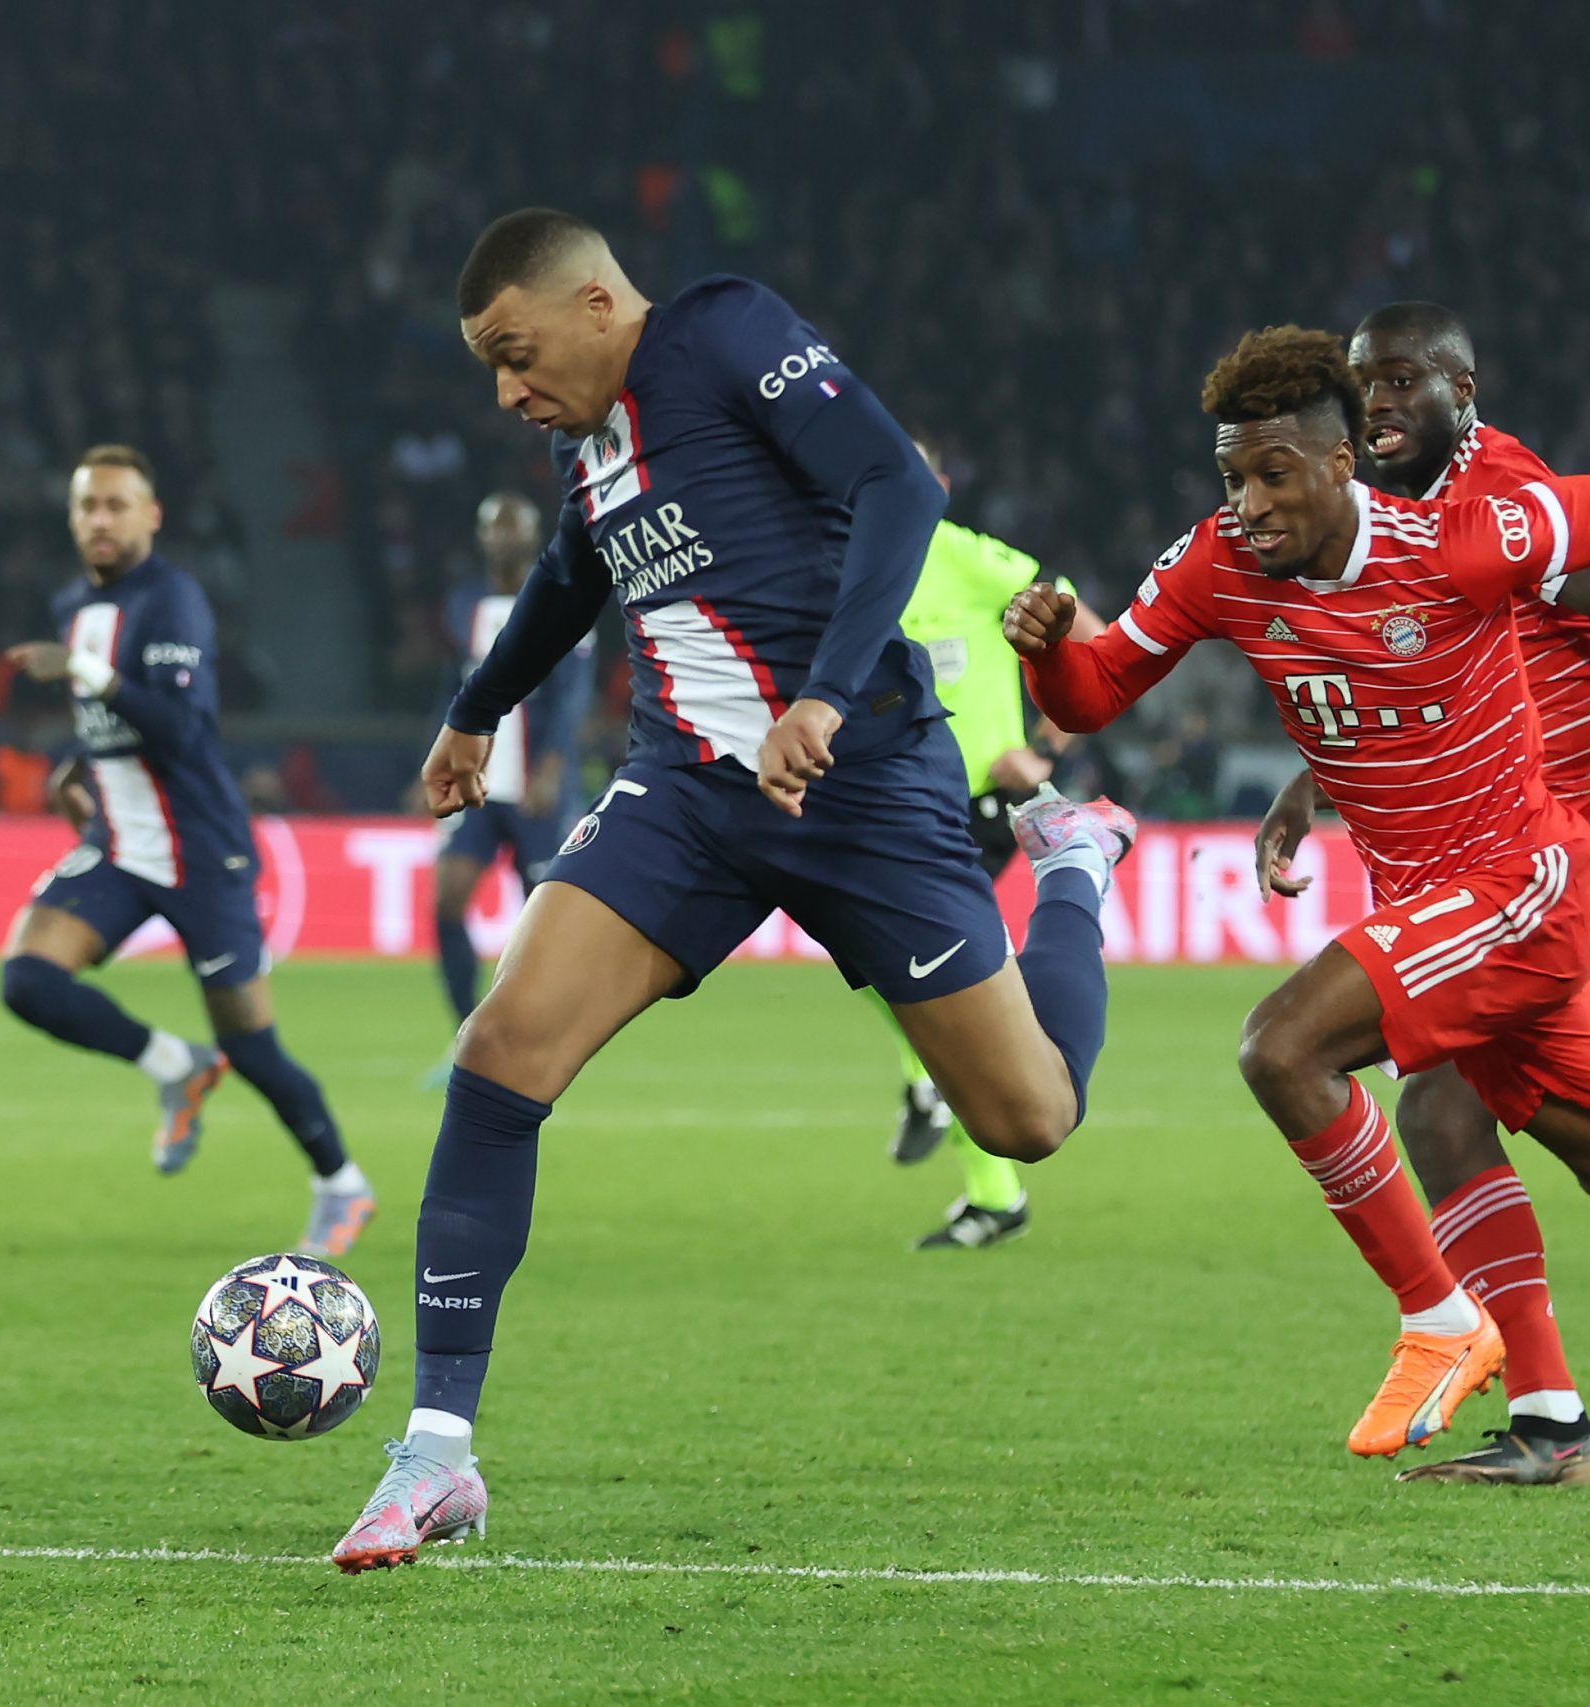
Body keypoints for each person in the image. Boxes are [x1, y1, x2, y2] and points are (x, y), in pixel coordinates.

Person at [332, 210, 1134, 1571]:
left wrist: (823, 691)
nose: (506, 393)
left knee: (1030, 1113)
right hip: (689, 797)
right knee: (502, 1052)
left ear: (594, 303)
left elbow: (899, 486)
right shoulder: (594, 450)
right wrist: (474, 711)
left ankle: (1072, 863)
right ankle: (436, 1451)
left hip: (863, 780)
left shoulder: (721, 331)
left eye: (515, 354)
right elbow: (569, 578)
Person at [1013, 325, 1590, 1508]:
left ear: (1340, 465)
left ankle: (1441, 1319)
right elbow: (1094, 693)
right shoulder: (1216, 562)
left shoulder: (1461, 538)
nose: (1248, 502)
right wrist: (1046, 654)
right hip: (1438, 902)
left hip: (1522, 887)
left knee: (1282, 1048)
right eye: (1233, 475)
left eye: (1274, 472)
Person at [0, 445, 375, 1259]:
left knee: (253, 1044)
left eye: (116, 504)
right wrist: (75, 763)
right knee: (27, 978)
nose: (100, 518)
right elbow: (113, 723)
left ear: (151, 514)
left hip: (202, 850)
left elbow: (181, 727)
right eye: (87, 505)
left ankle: (342, 1183)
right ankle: (174, 1064)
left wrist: (88, 673)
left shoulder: (175, 602)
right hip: (119, 845)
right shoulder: (73, 604)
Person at [878, 437, 1108, 1249]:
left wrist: (1058, 731)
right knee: (893, 975)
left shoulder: (967, 557)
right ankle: (984, 1178)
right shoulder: (848, 558)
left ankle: (944, 1111)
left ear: (939, 485)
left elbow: (1081, 619)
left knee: (938, 989)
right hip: (890, 801)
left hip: (970, 806)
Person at [426, 490, 593, 1083]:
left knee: (541, 919)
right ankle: (467, 1036)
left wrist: (551, 766)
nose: (502, 536)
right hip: (478, 784)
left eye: (511, 526)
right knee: (447, 900)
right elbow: (454, 688)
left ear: (531, 534)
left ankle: (549, 1038)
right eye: (492, 527)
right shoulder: (463, 602)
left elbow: (574, 691)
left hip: (533, 787)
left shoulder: (559, 593)